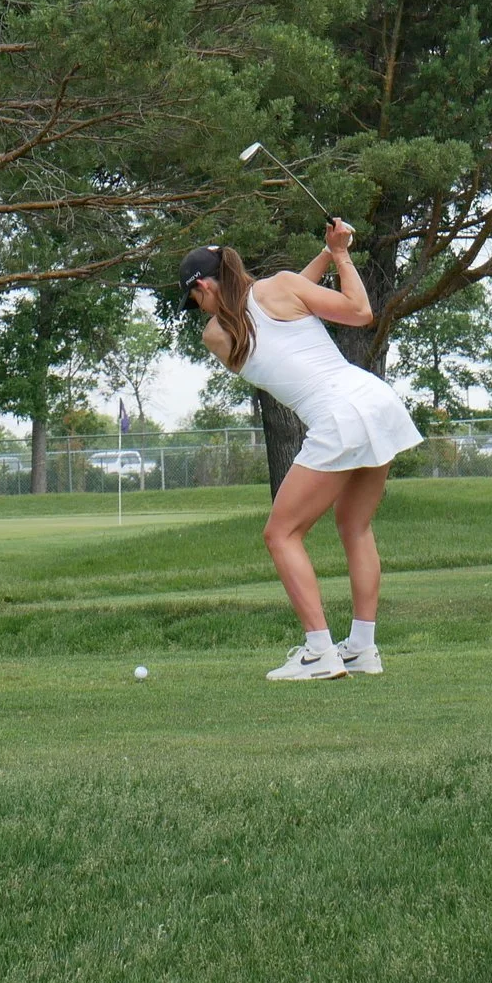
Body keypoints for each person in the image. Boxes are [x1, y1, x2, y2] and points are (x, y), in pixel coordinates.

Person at [180, 221, 422, 679]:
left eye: (195, 298)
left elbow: (357, 312)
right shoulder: (285, 287)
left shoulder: (217, 336)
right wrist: (336, 254)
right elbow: (298, 299)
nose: (198, 308)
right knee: (354, 525)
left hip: (337, 417)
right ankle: (362, 649)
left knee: (281, 534)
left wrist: (336, 256)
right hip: (375, 400)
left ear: (206, 284)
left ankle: (320, 652)